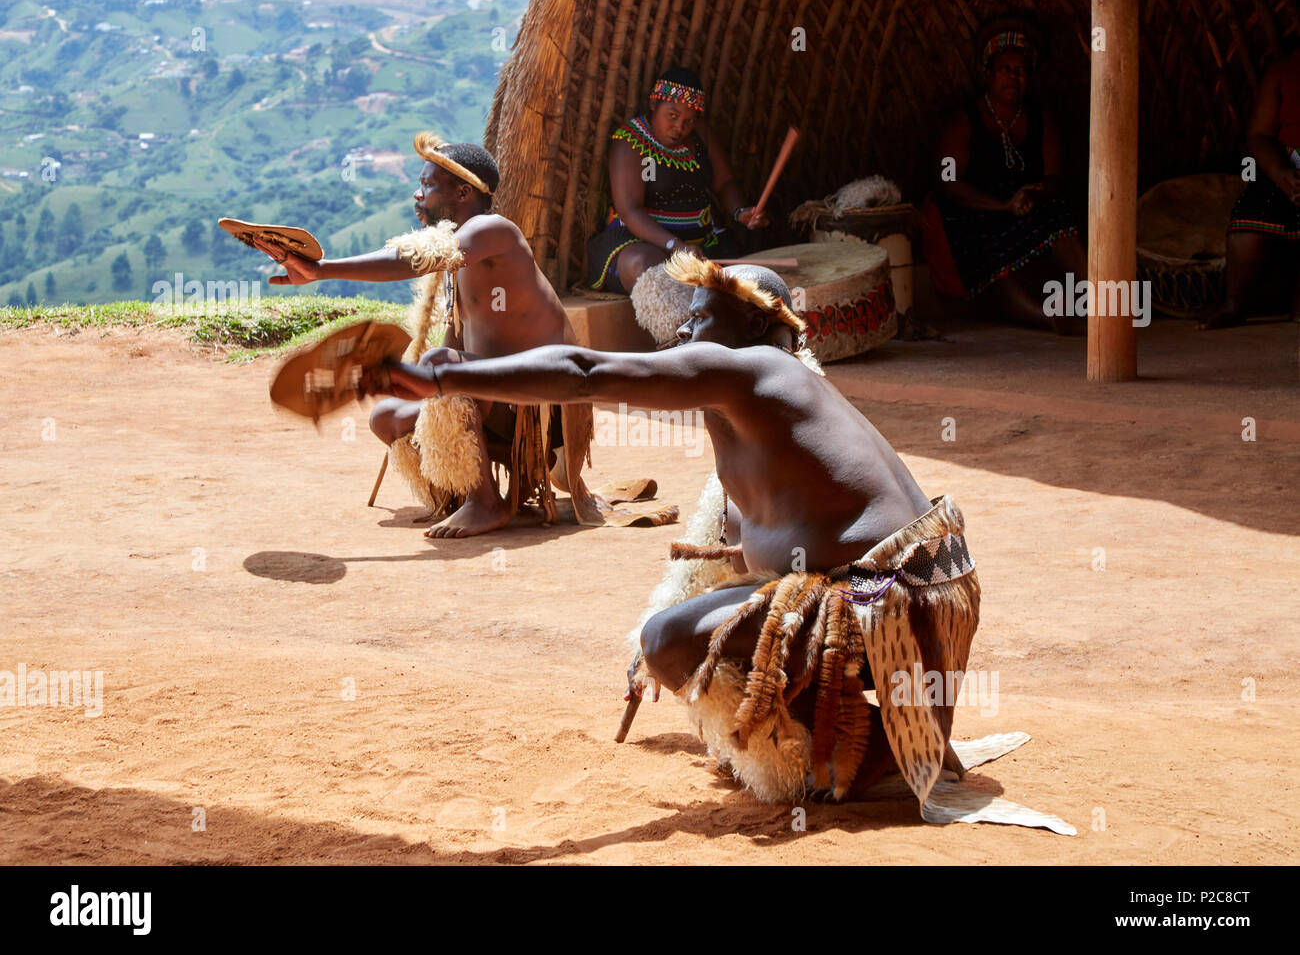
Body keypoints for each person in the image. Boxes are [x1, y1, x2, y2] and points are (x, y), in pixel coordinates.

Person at [358, 252, 981, 814]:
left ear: (758, 329)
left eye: (703, 317)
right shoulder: (768, 399)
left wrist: (450, 379)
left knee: (669, 639)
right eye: (687, 316)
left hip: (890, 603)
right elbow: (744, 551)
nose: (685, 330)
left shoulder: (751, 369)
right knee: (686, 630)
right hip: (929, 592)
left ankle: (874, 755)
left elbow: (583, 371)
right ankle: (877, 732)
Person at [250, 134, 602, 538]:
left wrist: (322, 269)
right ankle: (474, 493)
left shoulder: (494, 231)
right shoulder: (459, 265)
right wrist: (377, 378)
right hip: (499, 400)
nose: (417, 196)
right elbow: (447, 366)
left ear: (463, 191)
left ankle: (484, 503)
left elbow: (416, 258)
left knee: (439, 364)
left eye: (428, 185)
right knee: (387, 417)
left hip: (544, 407)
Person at [929, 17, 1086, 334]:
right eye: (1006, 69)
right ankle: (1047, 318)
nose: (1015, 77)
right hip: (975, 211)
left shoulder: (1041, 121)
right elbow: (949, 183)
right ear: (988, 75)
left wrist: (1033, 194)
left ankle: (1098, 294)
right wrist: (1001, 206)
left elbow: (1055, 176)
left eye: (1022, 71)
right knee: (991, 256)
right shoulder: (965, 122)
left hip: (1024, 204)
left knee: (1059, 216)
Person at [585, 66, 769, 295]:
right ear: (654, 105)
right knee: (649, 269)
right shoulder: (630, 142)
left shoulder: (700, 135)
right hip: (644, 245)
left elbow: (725, 182)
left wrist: (739, 211)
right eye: (672, 116)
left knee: (749, 276)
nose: (680, 127)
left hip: (699, 246)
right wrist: (676, 247)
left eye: (689, 121)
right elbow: (630, 211)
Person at [1199, 45, 1300, 330]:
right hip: (1288, 171)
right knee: (1247, 224)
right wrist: (1281, 174)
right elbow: (1259, 135)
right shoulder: (1283, 70)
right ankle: (1234, 305)